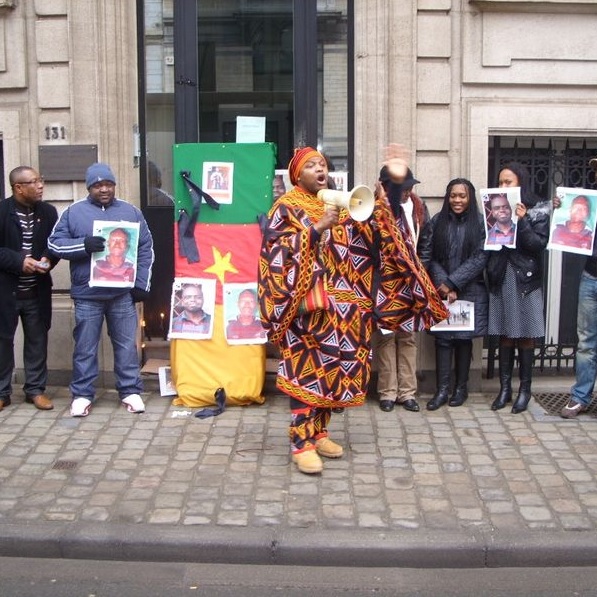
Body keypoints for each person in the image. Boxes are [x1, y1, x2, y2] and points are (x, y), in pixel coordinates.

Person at [258, 145, 447, 475]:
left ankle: (319, 433)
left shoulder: (341, 205)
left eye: (322, 164)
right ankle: (300, 443)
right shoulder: (285, 208)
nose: (320, 169)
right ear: (296, 175)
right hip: (309, 311)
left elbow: (372, 243)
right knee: (308, 374)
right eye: (311, 165)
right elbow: (275, 255)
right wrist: (316, 229)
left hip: (345, 313)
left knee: (333, 374)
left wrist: (381, 201)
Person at [48, 163, 154, 418]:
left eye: (108, 184)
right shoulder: (74, 213)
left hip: (121, 295)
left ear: (114, 185)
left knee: (127, 346)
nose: (104, 189)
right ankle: (83, 394)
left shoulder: (131, 211)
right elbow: (54, 244)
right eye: (97, 185)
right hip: (87, 296)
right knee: (85, 347)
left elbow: (145, 248)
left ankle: (130, 390)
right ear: (89, 188)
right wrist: (83, 245)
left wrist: (141, 284)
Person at [486, 162, 550, 414]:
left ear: (520, 183)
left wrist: (522, 221)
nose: (503, 186)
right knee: (504, 333)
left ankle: (525, 390)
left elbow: (537, 245)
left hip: (526, 278)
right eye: (500, 182)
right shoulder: (495, 208)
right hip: (503, 275)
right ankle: (505, 389)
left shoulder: (538, 210)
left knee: (525, 334)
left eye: (508, 182)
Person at [423, 178, 488, 410]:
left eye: (462, 196)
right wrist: (444, 284)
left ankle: (461, 389)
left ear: (469, 198)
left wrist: (454, 283)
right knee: (442, 340)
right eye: (453, 195)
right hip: (442, 290)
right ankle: (441, 390)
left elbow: (480, 257)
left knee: (462, 341)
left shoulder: (480, 223)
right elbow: (430, 256)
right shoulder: (437, 221)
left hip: (469, 289)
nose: (457, 200)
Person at [0, 167, 58, 412]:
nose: (40, 185)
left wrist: (47, 261)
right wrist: (19, 262)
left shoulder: (48, 212)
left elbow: (56, 244)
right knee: (3, 341)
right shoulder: (2, 211)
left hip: (37, 291)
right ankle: (2, 392)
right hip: (6, 292)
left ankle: (35, 390)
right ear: (18, 188)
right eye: (33, 182)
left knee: (37, 341)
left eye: (40, 179)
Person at [375, 167, 431, 413]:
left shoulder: (418, 206)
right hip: (385, 283)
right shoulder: (374, 209)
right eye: (403, 187)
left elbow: (426, 241)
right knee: (386, 339)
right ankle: (387, 392)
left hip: (411, 284)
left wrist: (421, 274)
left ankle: (407, 392)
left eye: (410, 187)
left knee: (408, 338)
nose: (408, 191)